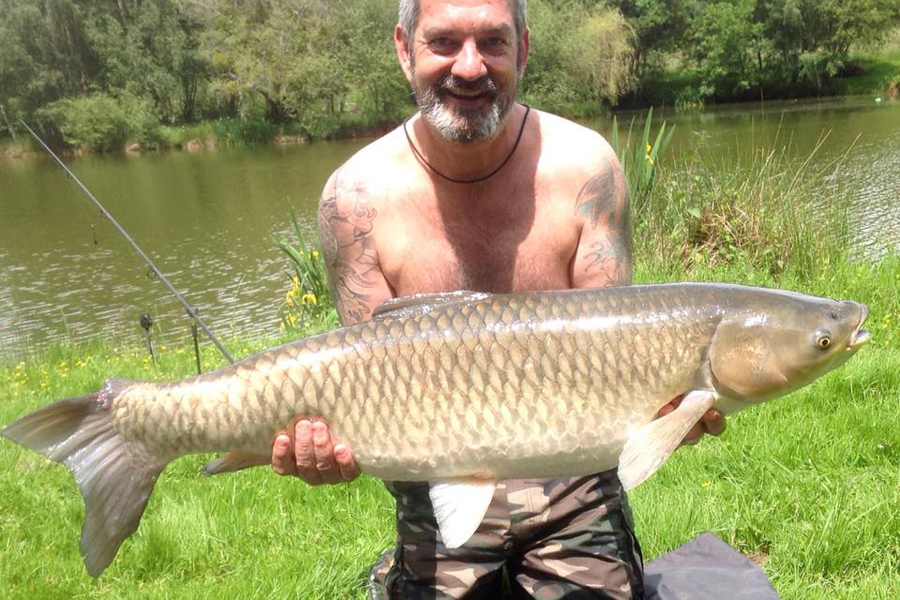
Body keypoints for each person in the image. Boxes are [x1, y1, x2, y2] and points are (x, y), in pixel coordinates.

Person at [271, 0, 725, 597]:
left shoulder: (587, 167)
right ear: (404, 48)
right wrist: (327, 448)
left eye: (492, 42)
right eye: (443, 43)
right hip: (433, 490)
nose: (468, 66)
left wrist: (668, 410)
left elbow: (622, 355)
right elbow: (365, 385)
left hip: (578, 490)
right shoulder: (354, 199)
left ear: (524, 49)